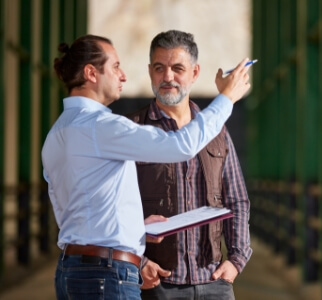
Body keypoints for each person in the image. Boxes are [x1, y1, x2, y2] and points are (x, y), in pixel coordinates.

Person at [41, 34, 251, 300]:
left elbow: (82, 213)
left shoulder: (57, 133)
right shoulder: (104, 127)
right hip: (109, 274)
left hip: (74, 270)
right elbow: (181, 146)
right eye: (115, 66)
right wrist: (227, 97)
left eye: (177, 68)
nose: (123, 76)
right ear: (91, 73)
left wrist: (136, 228)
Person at [128, 30, 252, 300]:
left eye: (177, 68)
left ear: (195, 73)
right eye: (159, 68)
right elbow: (113, 209)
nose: (168, 77)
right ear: (150, 71)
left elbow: (237, 200)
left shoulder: (217, 132)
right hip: (157, 283)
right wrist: (138, 261)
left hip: (214, 282)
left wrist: (237, 259)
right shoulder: (131, 131)